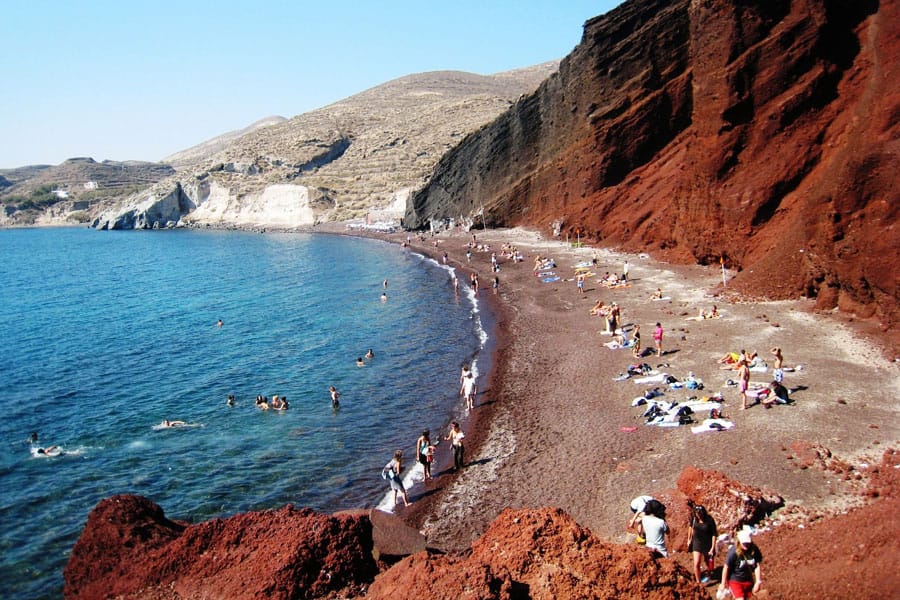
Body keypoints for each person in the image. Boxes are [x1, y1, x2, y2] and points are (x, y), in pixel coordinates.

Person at [719, 529, 763, 599]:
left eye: (748, 543)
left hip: (748, 581)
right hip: (735, 581)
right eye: (744, 543)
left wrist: (758, 581)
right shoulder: (733, 552)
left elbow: (756, 565)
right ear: (739, 542)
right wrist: (723, 583)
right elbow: (726, 567)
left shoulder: (753, 550)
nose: (746, 545)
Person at [689, 505, 718, 584]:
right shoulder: (694, 519)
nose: (698, 515)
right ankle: (698, 582)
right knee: (696, 563)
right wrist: (689, 539)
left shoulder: (709, 520)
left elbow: (714, 534)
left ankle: (709, 573)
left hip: (707, 543)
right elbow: (691, 527)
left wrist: (712, 548)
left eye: (700, 513)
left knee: (708, 562)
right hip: (697, 543)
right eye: (697, 513)